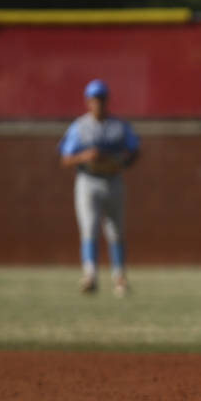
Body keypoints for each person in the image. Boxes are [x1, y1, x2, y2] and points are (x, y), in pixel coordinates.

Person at [58, 79, 141, 297]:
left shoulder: (118, 126)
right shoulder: (80, 127)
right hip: (88, 180)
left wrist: (119, 162)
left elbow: (134, 150)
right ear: (88, 101)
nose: (99, 103)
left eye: (102, 99)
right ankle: (90, 275)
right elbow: (65, 158)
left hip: (113, 179)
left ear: (107, 100)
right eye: (95, 99)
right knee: (89, 227)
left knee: (116, 230)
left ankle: (119, 276)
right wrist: (85, 156)